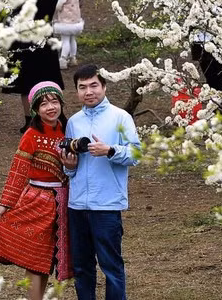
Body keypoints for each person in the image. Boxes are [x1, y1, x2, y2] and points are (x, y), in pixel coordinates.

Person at [0, 82, 73, 299]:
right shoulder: (31, 135)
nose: (50, 107)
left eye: (54, 101)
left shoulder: (68, 129)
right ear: (35, 109)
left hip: (64, 202)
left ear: (61, 103)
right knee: (35, 261)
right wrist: (5, 203)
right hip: (38, 202)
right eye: (43, 104)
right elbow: (18, 171)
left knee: (47, 261)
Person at [59, 64, 139, 300]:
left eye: (93, 85)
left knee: (111, 267)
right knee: (82, 268)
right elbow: (71, 166)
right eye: (82, 87)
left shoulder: (120, 117)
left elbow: (136, 154)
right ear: (77, 91)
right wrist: (69, 166)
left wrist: (110, 150)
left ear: (104, 87)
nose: (89, 92)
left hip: (106, 205)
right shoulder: (73, 122)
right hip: (77, 205)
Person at [2, 0, 65, 132]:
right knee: (48, 79)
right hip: (45, 42)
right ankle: (53, 115)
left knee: (26, 83)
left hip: (24, 43)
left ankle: (29, 120)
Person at [53, 0, 85, 70]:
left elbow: (58, 6)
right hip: (75, 21)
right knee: (72, 39)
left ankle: (63, 60)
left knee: (65, 40)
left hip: (66, 22)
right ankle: (72, 57)